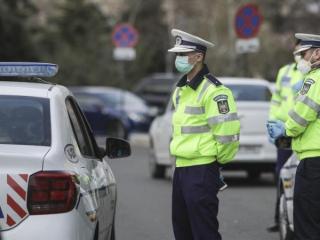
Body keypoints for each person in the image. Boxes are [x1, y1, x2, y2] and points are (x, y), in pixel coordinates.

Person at [168, 29, 240, 240]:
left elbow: (227, 133)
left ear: (198, 57)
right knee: (182, 230)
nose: (178, 59)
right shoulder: (181, 90)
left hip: (201, 169)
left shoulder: (216, 91)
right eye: (177, 55)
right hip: (181, 168)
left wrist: (215, 163)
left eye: (182, 54)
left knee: (204, 232)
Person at [267, 33, 320, 240]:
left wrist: (285, 129)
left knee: (307, 223)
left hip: (313, 160)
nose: (300, 59)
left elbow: (301, 117)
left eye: (303, 54)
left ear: (317, 53)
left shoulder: (314, 80)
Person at [267, 40, 305, 232]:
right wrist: (273, 124)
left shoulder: (311, 73)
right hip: (284, 133)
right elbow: (276, 100)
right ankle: (280, 217)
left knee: (302, 175)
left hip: (303, 130)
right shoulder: (285, 72)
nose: (298, 54)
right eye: (297, 50)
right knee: (282, 173)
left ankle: (298, 218)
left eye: (302, 51)